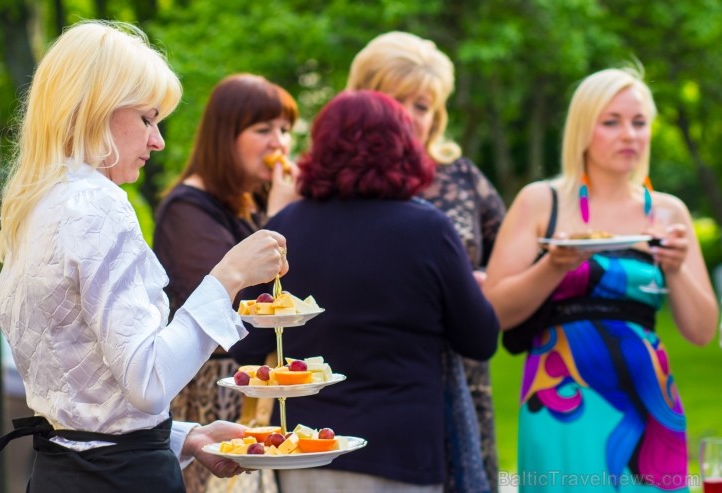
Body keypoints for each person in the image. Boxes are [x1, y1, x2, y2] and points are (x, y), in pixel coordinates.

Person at [0, 20, 290, 493]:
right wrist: (228, 277)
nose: (158, 141)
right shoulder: (98, 204)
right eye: (148, 119)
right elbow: (147, 382)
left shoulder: (35, 205)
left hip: (59, 473)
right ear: (96, 109)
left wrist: (186, 437)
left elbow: (88, 405)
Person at [229, 89, 500, 493]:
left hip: (309, 452)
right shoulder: (429, 231)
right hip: (402, 450)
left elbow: (246, 346)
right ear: (404, 148)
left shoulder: (287, 227)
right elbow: (480, 339)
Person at [483, 66, 719, 492]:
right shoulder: (542, 201)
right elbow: (494, 310)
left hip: (649, 398)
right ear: (582, 129)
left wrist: (678, 265)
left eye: (639, 122)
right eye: (611, 122)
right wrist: (553, 265)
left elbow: (702, 332)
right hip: (561, 397)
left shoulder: (669, 212)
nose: (628, 134)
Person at [345, 30, 506, 492]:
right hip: (365, 385)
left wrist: (478, 284)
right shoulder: (322, 184)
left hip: (463, 380)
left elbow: (513, 264)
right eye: (396, 100)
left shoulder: (461, 178)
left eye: (422, 105)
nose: (409, 118)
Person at [152, 73, 299, 493]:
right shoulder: (188, 210)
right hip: (209, 409)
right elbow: (241, 325)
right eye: (263, 129)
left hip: (255, 408)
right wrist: (283, 218)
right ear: (225, 136)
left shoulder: (250, 204)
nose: (280, 144)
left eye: (285, 130)